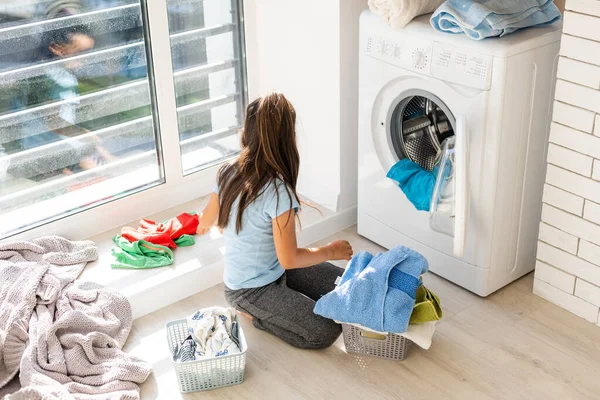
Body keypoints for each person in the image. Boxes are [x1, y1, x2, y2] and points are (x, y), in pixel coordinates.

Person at [196, 92, 354, 349]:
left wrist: (203, 223)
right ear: (287, 140)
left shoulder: (227, 172)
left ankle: (281, 303)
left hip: (276, 269)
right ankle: (255, 316)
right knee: (324, 332)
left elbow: (208, 218)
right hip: (249, 291)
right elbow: (289, 258)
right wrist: (330, 251)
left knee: (347, 287)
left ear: (247, 132)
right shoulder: (278, 192)